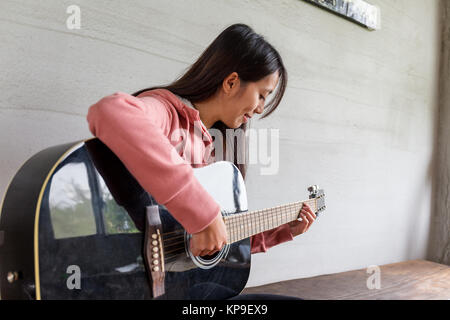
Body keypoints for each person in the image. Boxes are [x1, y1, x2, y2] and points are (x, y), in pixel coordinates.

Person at [87, 23, 316, 299]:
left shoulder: (217, 146)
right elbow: (111, 112)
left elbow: (210, 242)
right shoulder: (167, 111)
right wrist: (203, 214)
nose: (259, 110)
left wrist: (282, 230)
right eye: (262, 95)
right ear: (231, 82)